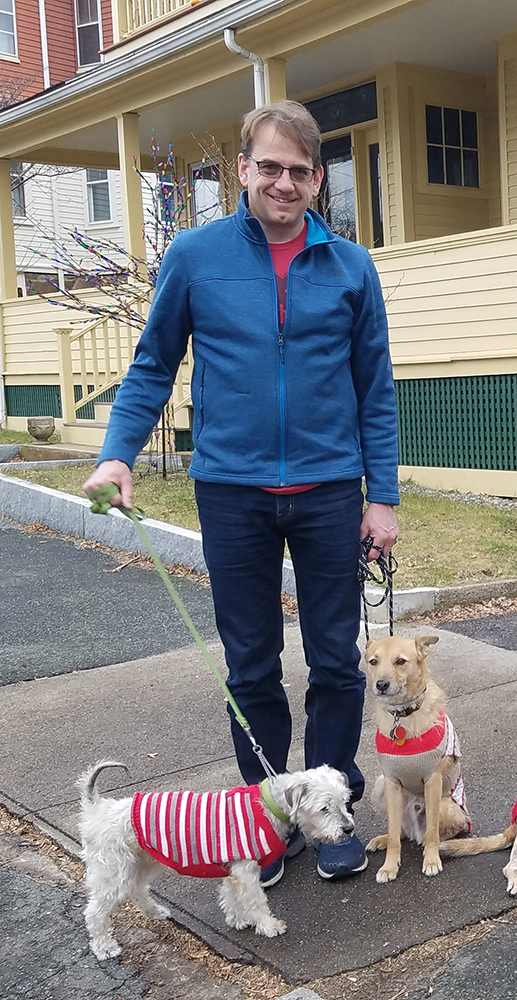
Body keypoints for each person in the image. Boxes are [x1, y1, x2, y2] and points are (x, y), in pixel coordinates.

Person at [82, 100, 399, 887]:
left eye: (299, 170)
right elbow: (153, 363)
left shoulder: (352, 266)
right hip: (232, 491)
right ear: (244, 170)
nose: (283, 183)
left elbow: (376, 390)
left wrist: (381, 495)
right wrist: (119, 454)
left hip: (330, 490)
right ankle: (268, 819)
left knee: (333, 660)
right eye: (269, 167)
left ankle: (330, 813)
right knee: (251, 664)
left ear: (317, 179)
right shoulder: (195, 256)